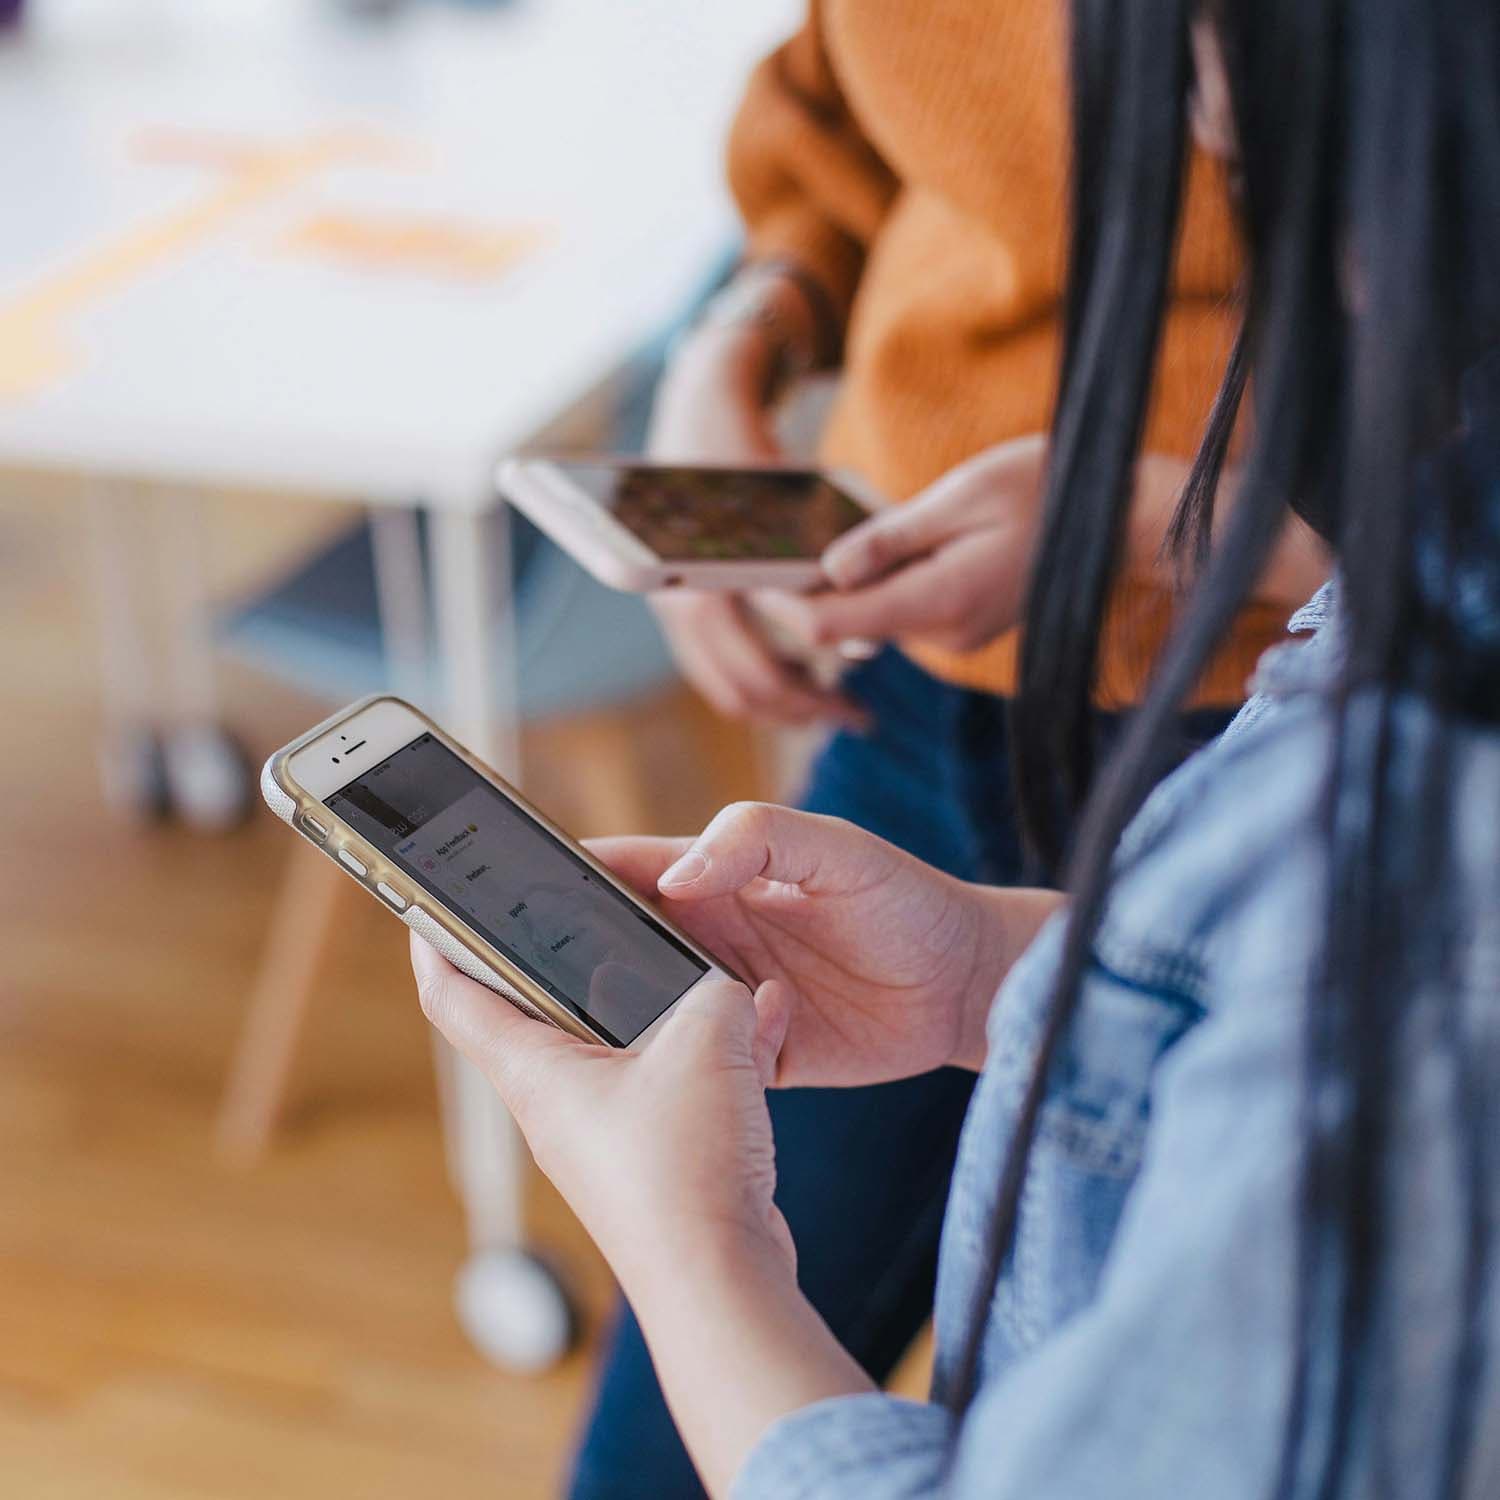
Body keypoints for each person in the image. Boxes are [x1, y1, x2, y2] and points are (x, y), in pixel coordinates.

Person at [414, 0, 1499, 1494]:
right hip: (952, 716)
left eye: (1228, 130)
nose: (1200, 137)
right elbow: (832, 111)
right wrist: (1006, 969)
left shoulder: (1383, 859)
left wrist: (685, 1249)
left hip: (1227, 730)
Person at [587, 5, 1327, 1489]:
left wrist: (683, 1249)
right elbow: (836, 116)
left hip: (1259, 744)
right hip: (923, 708)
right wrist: (739, 337)